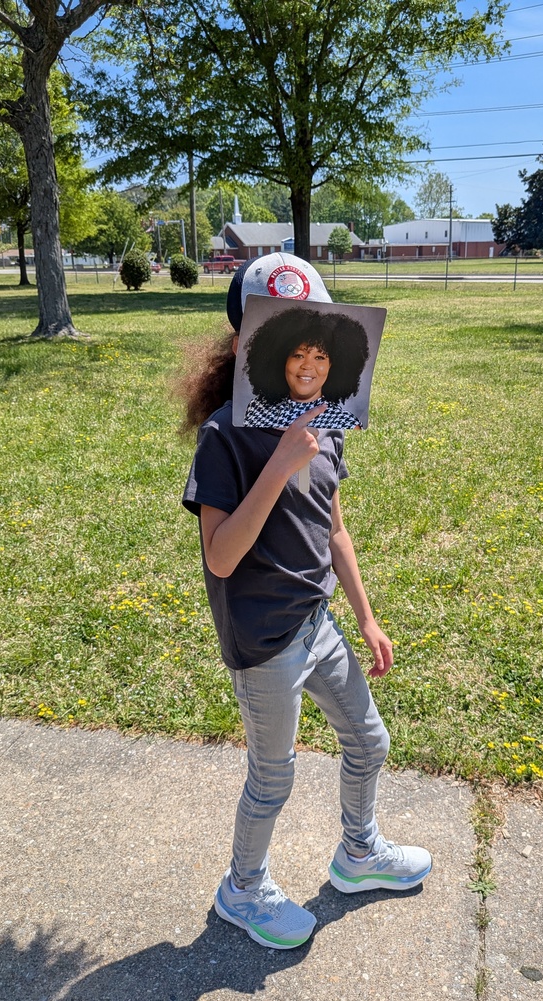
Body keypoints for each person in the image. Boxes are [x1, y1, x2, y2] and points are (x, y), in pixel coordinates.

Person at [179, 253, 431, 951]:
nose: (309, 362)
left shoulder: (328, 425)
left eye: (322, 348)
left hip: (315, 623)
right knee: (272, 777)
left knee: (369, 740)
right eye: (292, 346)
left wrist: (367, 616)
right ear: (250, 346)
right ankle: (244, 888)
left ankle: (359, 854)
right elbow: (221, 555)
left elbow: (335, 528)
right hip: (264, 641)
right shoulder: (224, 436)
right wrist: (281, 463)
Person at [241, 304, 367, 430]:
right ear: (282, 361)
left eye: (319, 357)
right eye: (298, 355)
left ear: (332, 366)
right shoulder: (256, 408)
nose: (307, 366)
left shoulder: (346, 424)